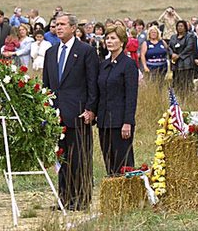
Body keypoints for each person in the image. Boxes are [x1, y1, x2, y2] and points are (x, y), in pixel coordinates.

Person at [42, 13, 98, 211]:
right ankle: (64, 198)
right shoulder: (51, 52)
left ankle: (82, 199)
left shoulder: (86, 51)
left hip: (79, 115)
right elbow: (46, 86)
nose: (58, 28)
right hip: (57, 116)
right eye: (56, 25)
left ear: (73, 28)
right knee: (62, 158)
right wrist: (46, 110)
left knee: (80, 159)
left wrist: (91, 109)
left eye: (63, 24)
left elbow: (93, 83)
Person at [97, 24, 138, 175]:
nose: (109, 41)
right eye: (107, 38)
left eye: (113, 38)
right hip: (104, 121)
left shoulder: (128, 65)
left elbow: (131, 96)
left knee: (123, 163)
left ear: (122, 41)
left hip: (120, 122)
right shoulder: (104, 65)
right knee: (110, 162)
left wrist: (127, 122)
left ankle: (127, 195)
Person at [168, 20, 196, 92]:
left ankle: (187, 98)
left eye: (181, 26)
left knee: (186, 84)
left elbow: (189, 48)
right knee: (176, 83)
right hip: (175, 64)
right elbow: (169, 47)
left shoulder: (190, 36)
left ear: (185, 27)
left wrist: (179, 56)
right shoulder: (173, 37)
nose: (179, 28)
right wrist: (172, 54)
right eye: (178, 26)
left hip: (186, 64)